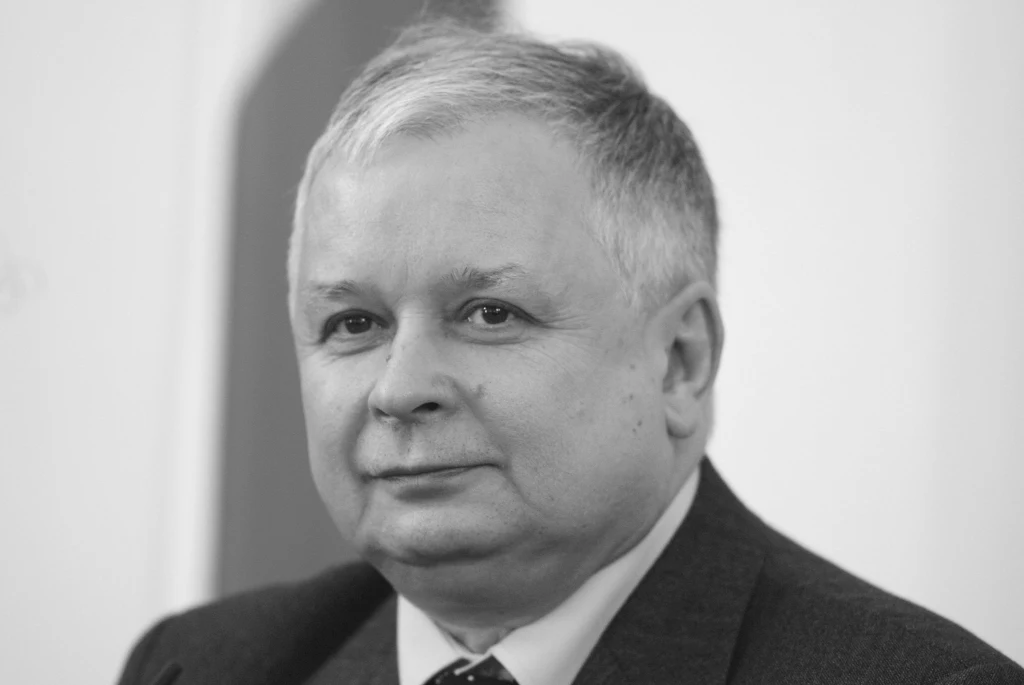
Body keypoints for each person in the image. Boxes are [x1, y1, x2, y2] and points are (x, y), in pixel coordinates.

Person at [118, 20, 1023, 685]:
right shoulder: (200, 665)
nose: (399, 389)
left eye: (489, 312)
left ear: (679, 362)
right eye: (354, 323)